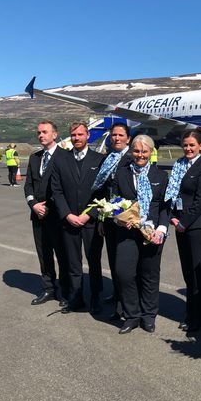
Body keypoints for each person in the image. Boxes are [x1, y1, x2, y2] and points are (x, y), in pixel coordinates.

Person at [108, 134, 169, 334]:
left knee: (149, 275)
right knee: (123, 273)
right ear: (131, 151)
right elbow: (114, 202)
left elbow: (164, 207)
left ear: (151, 152)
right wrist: (121, 218)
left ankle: (148, 315)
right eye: (136, 150)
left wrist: (161, 229)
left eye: (144, 151)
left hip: (152, 233)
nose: (140, 155)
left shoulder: (160, 176)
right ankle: (132, 315)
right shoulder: (122, 173)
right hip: (127, 232)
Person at [50, 122, 106, 315]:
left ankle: (96, 298)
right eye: (73, 135)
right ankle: (76, 297)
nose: (76, 138)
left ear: (88, 135)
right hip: (69, 221)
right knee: (73, 263)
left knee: (94, 262)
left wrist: (88, 215)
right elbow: (56, 191)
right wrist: (67, 214)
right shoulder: (61, 160)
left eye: (80, 134)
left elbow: (104, 191)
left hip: (91, 221)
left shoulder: (99, 160)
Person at [165, 130, 201, 334]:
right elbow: (172, 193)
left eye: (192, 145)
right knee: (187, 271)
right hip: (180, 223)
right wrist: (173, 218)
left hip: (195, 226)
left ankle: (199, 315)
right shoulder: (179, 165)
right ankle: (191, 311)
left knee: (197, 272)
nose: (188, 149)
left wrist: (184, 222)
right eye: (185, 145)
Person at [24, 121, 69, 306]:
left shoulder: (65, 157)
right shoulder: (35, 158)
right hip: (38, 216)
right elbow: (28, 186)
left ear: (55, 135)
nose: (41, 135)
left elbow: (67, 187)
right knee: (44, 255)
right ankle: (49, 288)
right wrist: (34, 204)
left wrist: (50, 206)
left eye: (44, 132)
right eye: (38, 133)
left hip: (58, 216)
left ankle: (66, 291)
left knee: (63, 255)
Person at [91, 122, 132, 318]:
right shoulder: (107, 159)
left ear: (128, 139)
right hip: (108, 217)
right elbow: (101, 191)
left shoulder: (132, 159)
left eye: (120, 135)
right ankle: (117, 295)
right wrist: (100, 218)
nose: (116, 138)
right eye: (114, 135)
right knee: (113, 260)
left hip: (125, 219)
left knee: (125, 264)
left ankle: (125, 305)